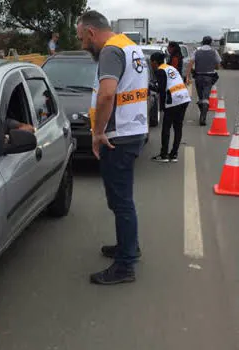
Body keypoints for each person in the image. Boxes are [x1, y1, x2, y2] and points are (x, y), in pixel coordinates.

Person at [76, 10, 148, 285]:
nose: (83, 45)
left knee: (121, 202)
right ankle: (128, 246)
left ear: (92, 33)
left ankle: (125, 264)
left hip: (117, 136)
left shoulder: (110, 51)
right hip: (132, 131)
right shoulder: (130, 47)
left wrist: (97, 133)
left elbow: (107, 94)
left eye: (83, 38)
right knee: (121, 199)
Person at [149, 52, 191, 163]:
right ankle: (174, 154)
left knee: (166, 128)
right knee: (178, 127)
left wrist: (148, 86)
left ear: (154, 62)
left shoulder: (160, 71)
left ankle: (164, 155)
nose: (151, 65)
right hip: (184, 98)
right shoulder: (170, 68)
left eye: (151, 63)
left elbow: (161, 90)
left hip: (174, 100)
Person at [185, 35, 221, 126]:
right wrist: (214, 66)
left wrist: (188, 76)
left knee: (201, 96)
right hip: (209, 77)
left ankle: (202, 113)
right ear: (210, 43)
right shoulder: (214, 52)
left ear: (202, 42)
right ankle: (203, 115)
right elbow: (218, 64)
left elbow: (190, 63)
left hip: (198, 77)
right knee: (206, 96)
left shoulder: (196, 51)